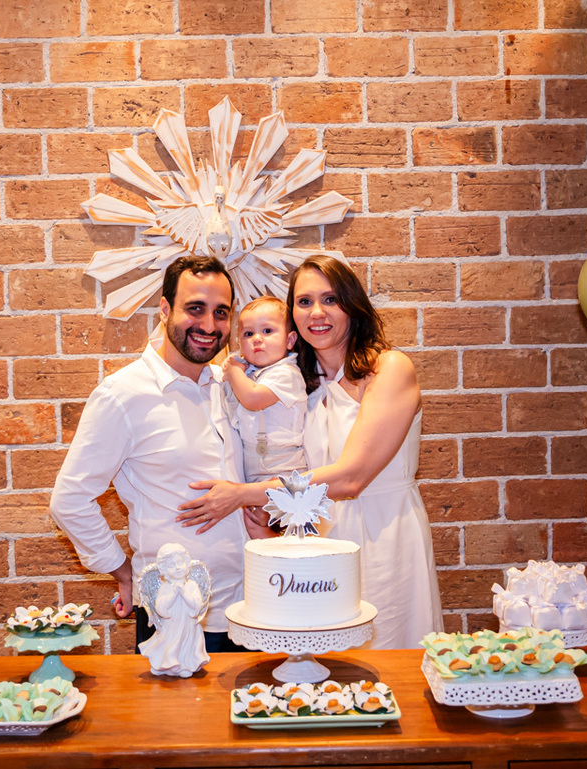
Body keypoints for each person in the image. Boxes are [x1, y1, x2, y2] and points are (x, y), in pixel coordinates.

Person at [177, 254, 443, 648]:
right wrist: (273, 525)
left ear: (353, 305)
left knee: (389, 658)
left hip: (385, 535)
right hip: (320, 541)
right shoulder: (303, 388)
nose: (316, 312)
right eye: (304, 302)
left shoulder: (389, 369)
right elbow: (296, 467)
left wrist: (242, 494)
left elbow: (351, 479)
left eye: (330, 299)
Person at [48, 255, 266, 654]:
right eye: (194, 309)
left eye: (221, 313)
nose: (209, 325)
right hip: (176, 615)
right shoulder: (122, 395)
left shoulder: (228, 386)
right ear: (165, 309)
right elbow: (70, 499)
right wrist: (125, 573)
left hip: (252, 608)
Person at [222, 295, 308, 483]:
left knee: (284, 509)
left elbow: (253, 399)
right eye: (248, 334)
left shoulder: (287, 373)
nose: (257, 339)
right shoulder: (250, 374)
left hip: (284, 469)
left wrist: (233, 371)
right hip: (253, 470)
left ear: (290, 340)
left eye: (267, 331)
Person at [139, 543, 210, 678]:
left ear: (187, 563)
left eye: (180, 562)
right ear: (164, 570)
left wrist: (184, 593)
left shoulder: (191, 585)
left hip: (188, 624)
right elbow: (161, 607)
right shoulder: (165, 587)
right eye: (171, 565)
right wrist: (173, 594)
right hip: (172, 624)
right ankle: (162, 665)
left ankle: (185, 665)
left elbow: (197, 605)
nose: (177, 567)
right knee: (169, 644)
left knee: (186, 644)